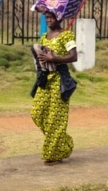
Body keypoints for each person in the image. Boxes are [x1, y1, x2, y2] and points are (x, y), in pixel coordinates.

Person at [30, 10, 78, 165]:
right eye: (47, 18)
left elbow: (74, 56)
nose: (49, 20)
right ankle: (64, 143)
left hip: (60, 80)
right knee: (37, 113)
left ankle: (53, 154)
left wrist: (55, 58)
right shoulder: (44, 37)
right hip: (45, 79)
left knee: (55, 118)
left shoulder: (67, 35)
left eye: (52, 17)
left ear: (59, 17)